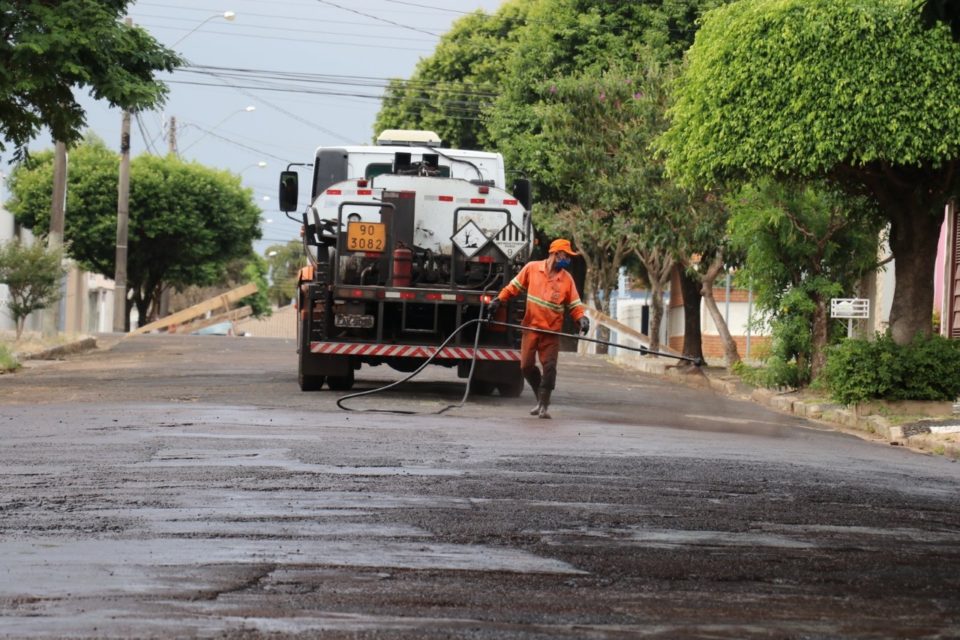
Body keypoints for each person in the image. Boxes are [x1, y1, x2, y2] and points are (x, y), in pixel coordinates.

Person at [485, 238, 589, 419]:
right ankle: (540, 397)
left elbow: (575, 305)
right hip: (531, 328)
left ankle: (544, 404)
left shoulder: (567, 279)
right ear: (556, 254)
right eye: (566, 255)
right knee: (526, 367)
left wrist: (582, 319)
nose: (568, 259)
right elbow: (513, 288)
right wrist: (498, 300)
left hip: (551, 333)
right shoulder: (532, 269)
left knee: (550, 368)